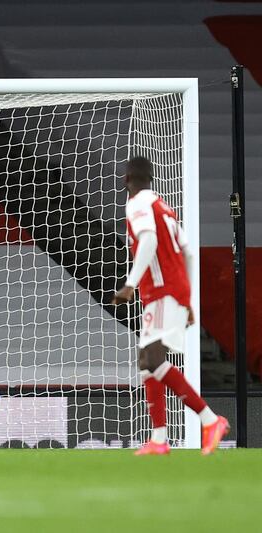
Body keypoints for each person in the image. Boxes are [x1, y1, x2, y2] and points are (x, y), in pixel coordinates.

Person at [112, 156, 229, 456]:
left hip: (162, 292)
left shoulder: (136, 204)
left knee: (151, 360)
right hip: (171, 293)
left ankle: (210, 419)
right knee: (146, 363)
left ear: (127, 180)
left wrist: (130, 283)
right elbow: (188, 253)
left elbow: (149, 241)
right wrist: (188, 299)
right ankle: (159, 438)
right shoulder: (165, 207)